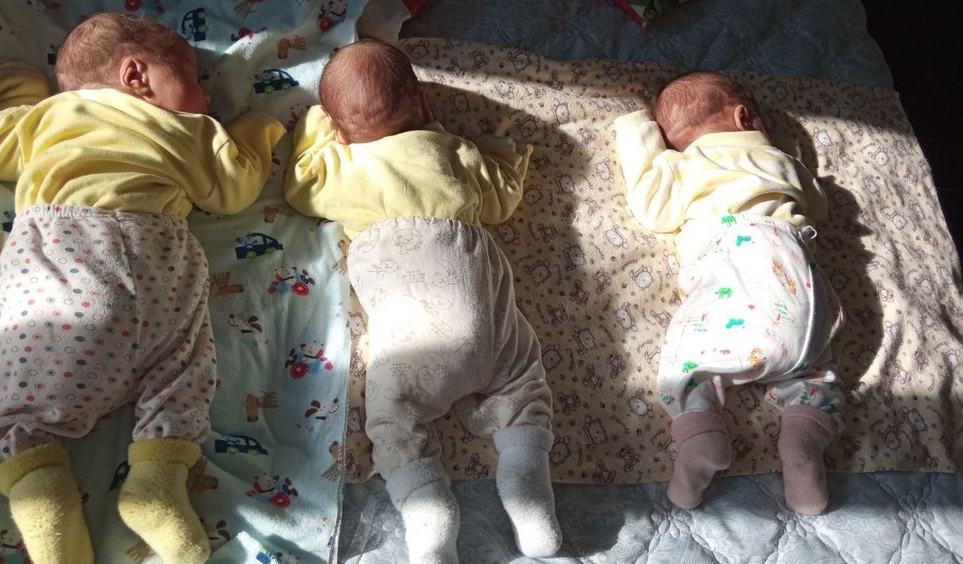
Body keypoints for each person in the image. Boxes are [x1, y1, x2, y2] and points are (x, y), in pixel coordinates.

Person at [0, 12, 285, 564]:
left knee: (23, 399)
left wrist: (17, 88)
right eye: (195, 81)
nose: (207, 97)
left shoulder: (47, 118)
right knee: (183, 368)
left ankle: (42, 490)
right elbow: (234, 187)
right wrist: (259, 130)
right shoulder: (187, 130)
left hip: (67, 265)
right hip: (162, 264)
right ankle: (157, 482)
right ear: (137, 76)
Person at [284, 39, 561, 562]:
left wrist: (319, 125)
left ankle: (428, 511)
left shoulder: (344, 169)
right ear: (426, 108)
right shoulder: (452, 151)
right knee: (525, 387)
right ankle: (527, 485)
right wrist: (504, 152)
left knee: (393, 421)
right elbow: (502, 199)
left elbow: (301, 184)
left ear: (340, 133)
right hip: (488, 327)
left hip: (413, 345)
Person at [613, 71, 845, 515]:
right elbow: (818, 206)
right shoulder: (782, 161)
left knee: (687, 362)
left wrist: (637, 131)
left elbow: (651, 208)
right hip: (804, 292)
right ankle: (804, 446)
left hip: (736, 270)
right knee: (813, 375)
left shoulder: (685, 166)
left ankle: (702, 438)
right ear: (745, 118)